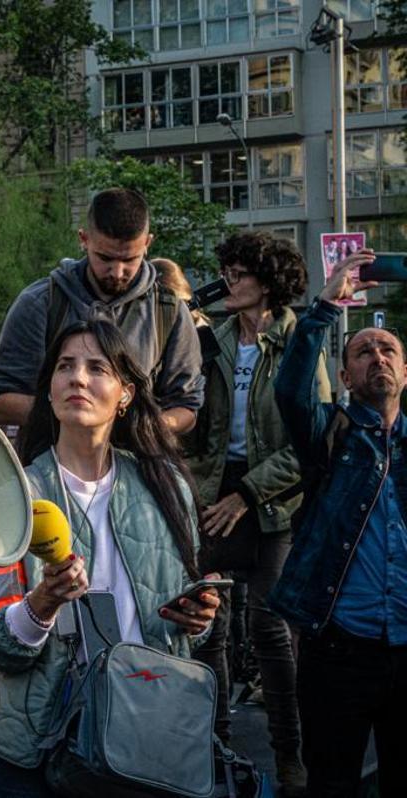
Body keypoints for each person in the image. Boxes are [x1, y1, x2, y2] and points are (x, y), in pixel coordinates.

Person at [0, 319, 219, 797]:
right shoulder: (9, 497)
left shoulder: (167, 487)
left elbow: (182, 633)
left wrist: (200, 617)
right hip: (37, 743)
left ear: (126, 393)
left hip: (143, 733)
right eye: (65, 367)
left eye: (97, 368)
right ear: (48, 391)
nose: (78, 379)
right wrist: (42, 603)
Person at [182, 232, 325, 794]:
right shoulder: (211, 338)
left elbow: (307, 441)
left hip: (272, 502)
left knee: (271, 629)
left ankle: (291, 756)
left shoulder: (296, 342)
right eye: (227, 272)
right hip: (214, 492)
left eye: (239, 273)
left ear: (266, 281)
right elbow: (195, 425)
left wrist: (249, 495)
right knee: (207, 625)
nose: (230, 282)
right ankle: (214, 744)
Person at [271, 247, 407, 797]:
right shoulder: (331, 436)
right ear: (346, 376)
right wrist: (324, 307)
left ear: (405, 370)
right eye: (363, 351)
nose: (377, 356)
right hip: (338, 649)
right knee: (331, 783)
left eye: (388, 349)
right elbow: (290, 390)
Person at [0, 188, 204, 434]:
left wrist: (140, 429)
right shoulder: (39, 303)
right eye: (105, 258)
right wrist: (75, 415)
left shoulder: (169, 312)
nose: (118, 272)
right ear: (84, 239)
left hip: (138, 463)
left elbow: (187, 407)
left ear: (148, 243)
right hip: (51, 463)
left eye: (130, 259)